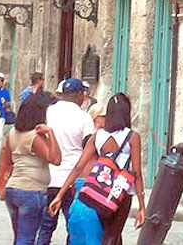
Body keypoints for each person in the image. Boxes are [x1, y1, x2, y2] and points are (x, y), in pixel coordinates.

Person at [49, 92, 146, 245]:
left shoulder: (97, 136)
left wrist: (60, 195)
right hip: (122, 192)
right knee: (113, 235)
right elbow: (137, 173)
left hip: (100, 191)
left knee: (105, 233)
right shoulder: (133, 137)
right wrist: (142, 205)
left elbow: (78, 167)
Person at [36, 79, 95, 245]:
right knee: (73, 228)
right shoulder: (84, 118)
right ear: (78, 94)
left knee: (46, 226)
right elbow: (88, 149)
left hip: (48, 176)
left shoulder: (48, 111)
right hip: (71, 180)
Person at [0, 93, 61, 245]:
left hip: (13, 188)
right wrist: (50, 134)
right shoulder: (35, 137)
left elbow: (7, 160)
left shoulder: (13, 133)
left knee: (19, 237)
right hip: (31, 191)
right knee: (26, 239)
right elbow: (56, 159)